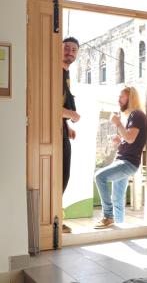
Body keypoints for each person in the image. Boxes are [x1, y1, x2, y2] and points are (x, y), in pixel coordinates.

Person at [94, 87, 147, 229]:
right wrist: (120, 139)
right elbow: (129, 138)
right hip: (124, 161)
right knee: (117, 198)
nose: (118, 100)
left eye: (122, 97)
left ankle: (108, 216)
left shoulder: (137, 115)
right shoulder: (132, 116)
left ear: (131, 99)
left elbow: (130, 138)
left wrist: (118, 124)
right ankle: (119, 227)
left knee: (99, 177)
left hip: (127, 163)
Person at [62, 37, 80, 233]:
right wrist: (72, 115)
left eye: (74, 50)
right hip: (52, 133)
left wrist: (67, 126)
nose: (70, 52)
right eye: (66, 48)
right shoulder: (55, 72)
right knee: (59, 175)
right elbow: (49, 103)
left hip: (61, 130)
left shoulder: (66, 74)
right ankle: (53, 221)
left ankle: (55, 218)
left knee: (63, 175)